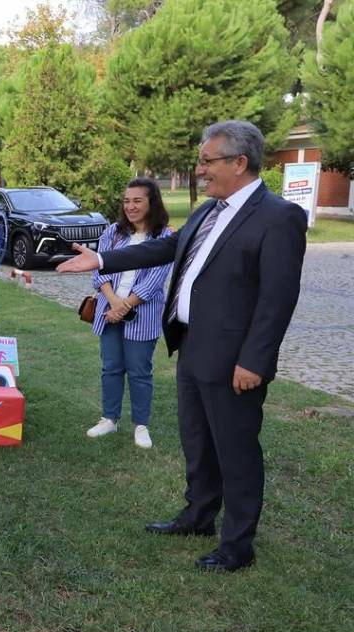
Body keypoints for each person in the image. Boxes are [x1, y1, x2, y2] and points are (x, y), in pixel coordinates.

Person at [58, 120, 307, 572]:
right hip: (191, 347)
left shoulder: (278, 217)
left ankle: (237, 546)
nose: (200, 170)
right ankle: (198, 516)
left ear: (239, 162)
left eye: (207, 161)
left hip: (234, 360)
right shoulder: (207, 211)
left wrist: (254, 361)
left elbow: (277, 299)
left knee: (236, 450)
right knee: (198, 441)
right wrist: (102, 258)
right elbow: (162, 252)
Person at [87, 177, 173, 449]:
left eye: (137, 200)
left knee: (139, 371)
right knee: (110, 367)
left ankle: (141, 425)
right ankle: (109, 419)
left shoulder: (165, 237)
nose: (131, 206)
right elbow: (98, 269)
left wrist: (123, 307)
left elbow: (154, 281)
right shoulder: (113, 232)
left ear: (152, 202)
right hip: (108, 311)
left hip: (141, 316)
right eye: (126, 201)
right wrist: (113, 303)